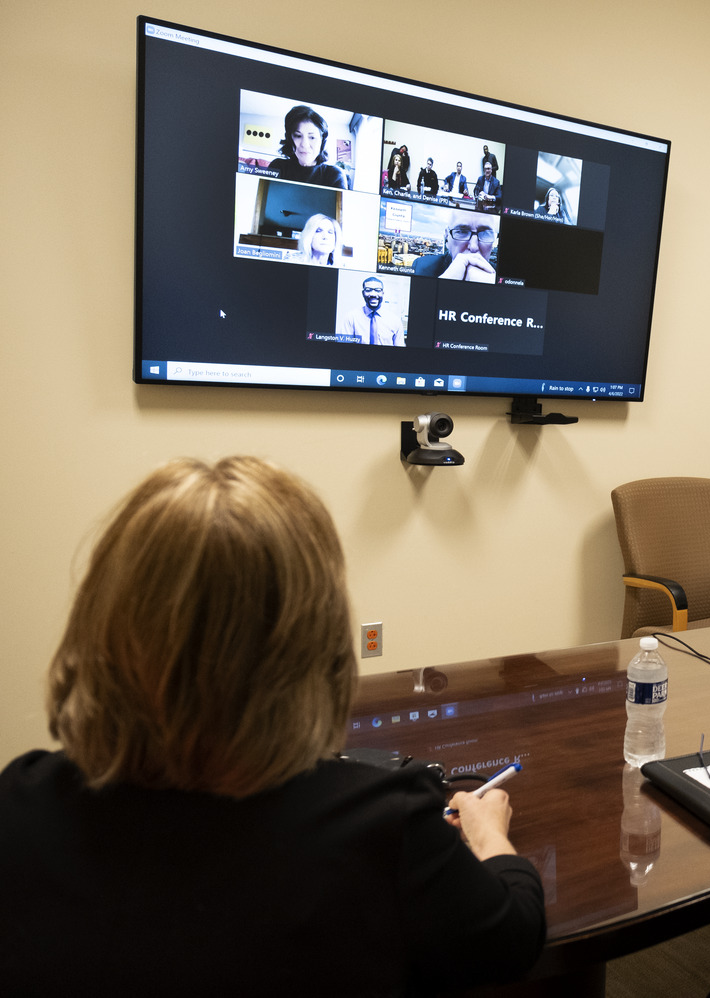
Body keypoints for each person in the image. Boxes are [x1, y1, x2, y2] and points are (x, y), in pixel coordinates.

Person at [0, 457, 545, 993]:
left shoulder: (19, 806)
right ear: (314, 642)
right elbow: (512, 939)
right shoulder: (383, 824)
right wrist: (490, 836)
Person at [266, 104, 351, 189]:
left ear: (322, 142)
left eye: (312, 137)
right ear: (290, 139)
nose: (304, 144)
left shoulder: (334, 175)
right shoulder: (278, 167)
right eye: (298, 136)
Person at [413, 213, 497, 283]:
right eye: (462, 232)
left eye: (485, 233)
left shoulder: (501, 275)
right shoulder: (423, 269)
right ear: (447, 238)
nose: (473, 247)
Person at [338, 276, 406, 345]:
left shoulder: (395, 321)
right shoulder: (351, 318)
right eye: (368, 290)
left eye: (378, 290)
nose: (373, 294)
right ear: (363, 293)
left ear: (383, 293)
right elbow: (343, 346)